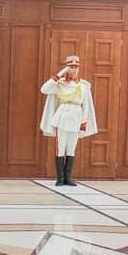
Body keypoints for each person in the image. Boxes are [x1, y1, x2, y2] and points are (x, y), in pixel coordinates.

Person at [39, 55, 99, 186]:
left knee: (71, 149)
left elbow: (86, 106)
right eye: (71, 67)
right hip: (62, 118)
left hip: (76, 118)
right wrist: (60, 73)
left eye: (76, 67)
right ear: (67, 68)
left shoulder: (84, 85)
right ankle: (60, 178)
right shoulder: (59, 83)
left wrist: (83, 124)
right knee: (60, 148)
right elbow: (44, 89)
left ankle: (68, 178)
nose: (74, 69)